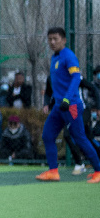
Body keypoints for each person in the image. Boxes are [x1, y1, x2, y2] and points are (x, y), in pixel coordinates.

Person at [36, 27, 100, 183]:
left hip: (71, 106)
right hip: (59, 107)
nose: (52, 42)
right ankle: (53, 171)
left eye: (55, 39)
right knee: (47, 136)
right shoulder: (55, 58)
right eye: (50, 39)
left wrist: (67, 99)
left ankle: (98, 171)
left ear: (64, 40)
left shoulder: (69, 56)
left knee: (80, 138)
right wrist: (52, 102)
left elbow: (76, 78)